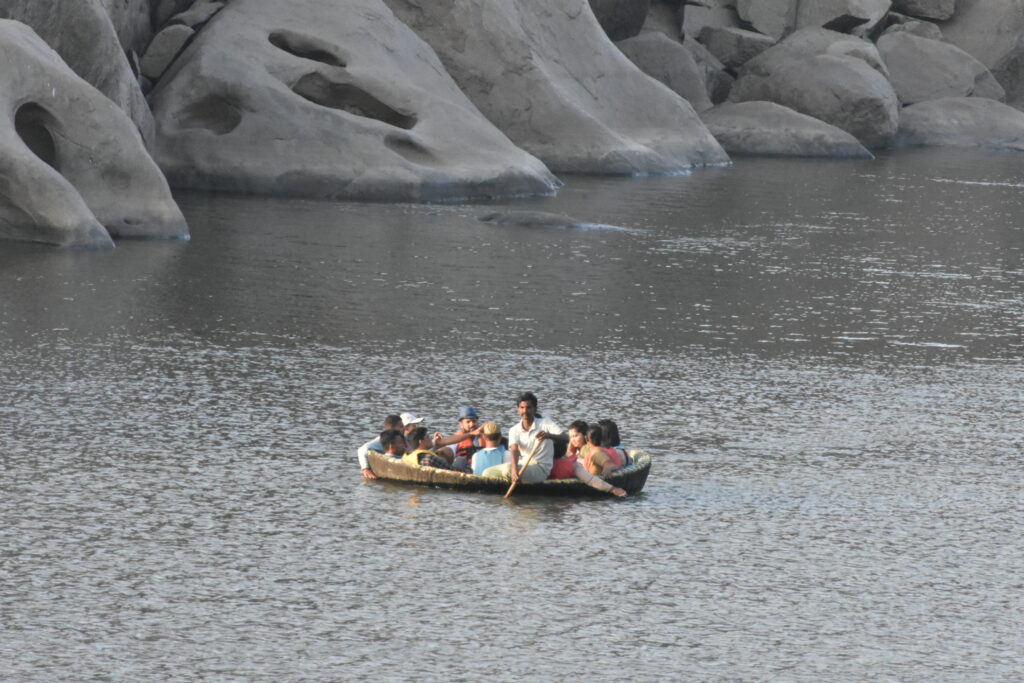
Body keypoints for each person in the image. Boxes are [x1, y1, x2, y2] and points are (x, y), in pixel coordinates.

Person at [483, 392, 566, 484]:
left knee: (507, 470)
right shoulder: (514, 430)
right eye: (522, 408)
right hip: (523, 464)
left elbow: (566, 438)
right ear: (518, 410)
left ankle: (513, 480)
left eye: (528, 407)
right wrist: (514, 470)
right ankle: (509, 484)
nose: (525, 411)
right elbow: (514, 450)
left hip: (540, 467)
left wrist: (549, 435)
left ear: (535, 409)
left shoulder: (546, 423)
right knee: (487, 473)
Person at [548, 420, 626, 497]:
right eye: (570, 437)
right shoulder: (578, 451)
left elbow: (608, 465)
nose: (572, 440)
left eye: (575, 436)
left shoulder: (593, 451)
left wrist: (607, 470)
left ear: (585, 437)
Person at [356, 414, 404, 479]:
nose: (403, 429)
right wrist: (365, 469)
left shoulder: (402, 437)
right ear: (393, 428)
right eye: (401, 427)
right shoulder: (385, 439)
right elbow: (361, 450)